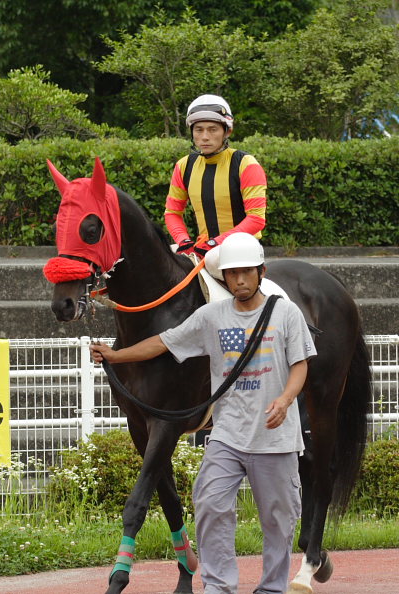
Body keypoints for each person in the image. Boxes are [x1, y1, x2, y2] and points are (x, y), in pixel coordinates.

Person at [90, 233, 316, 594]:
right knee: (209, 503)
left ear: (261, 272)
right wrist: (116, 355)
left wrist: (287, 399)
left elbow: (300, 365)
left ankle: (272, 587)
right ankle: (218, 586)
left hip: (274, 438)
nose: (239, 280)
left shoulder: (286, 312)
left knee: (278, 520)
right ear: (223, 276)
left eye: (246, 272)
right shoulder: (210, 315)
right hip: (227, 436)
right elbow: (163, 342)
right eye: (232, 274)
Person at [165, 94, 267, 279]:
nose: (205, 137)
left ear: (226, 131)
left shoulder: (246, 164)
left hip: (243, 247)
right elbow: (172, 213)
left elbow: (256, 219)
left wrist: (215, 243)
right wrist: (184, 241)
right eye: (199, 130)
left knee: (212, 260)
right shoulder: (183, 166)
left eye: (212, 130)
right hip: (203, 247)